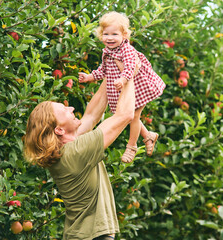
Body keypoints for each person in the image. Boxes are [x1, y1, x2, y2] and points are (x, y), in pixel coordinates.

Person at [23, 59, 140, 239]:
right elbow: (124, 115)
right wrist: (129, 74)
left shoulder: (67, 148)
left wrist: (111, 66)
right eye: (64, 110)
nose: (71, 108)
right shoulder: (75, 153)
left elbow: (93, 115)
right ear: (59, 129)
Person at [78, 11, 166, 163]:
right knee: (133, 117)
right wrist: (89, 77)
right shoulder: (107, 51)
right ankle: (148, 136)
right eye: (106, 34)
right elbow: (103, 70)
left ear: (124, 35)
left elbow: (131, 67)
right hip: (123, 88)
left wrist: (124, 79)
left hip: (138, 86)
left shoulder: (127, 50)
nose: (110, 38)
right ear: (101, 35)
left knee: (134, 116)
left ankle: (132, 147)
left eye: (114, 34)